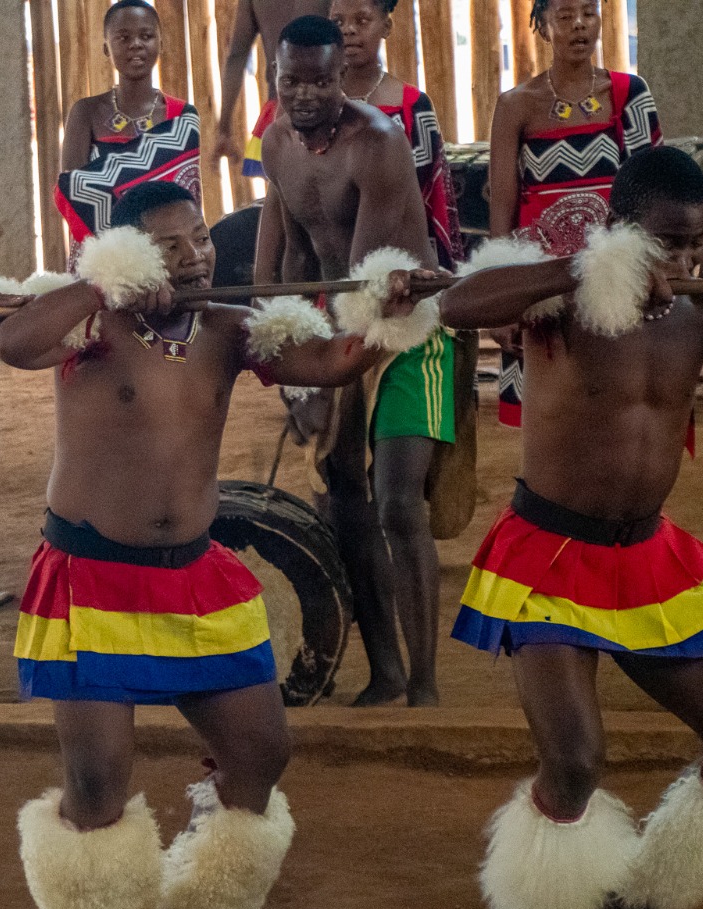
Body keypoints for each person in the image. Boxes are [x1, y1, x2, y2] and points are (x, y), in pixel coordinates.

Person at [0, 181, 435, 909]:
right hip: (92, 576)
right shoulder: (90, 323)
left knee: (261, 752)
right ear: (128, 254)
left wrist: (383, 307)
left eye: (200, 239)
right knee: (98, 777)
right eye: (169, 244)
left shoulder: (231, 330)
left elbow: (330, 363)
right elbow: (14, 344)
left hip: (194, 579)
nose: (194, 256)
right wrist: (99, 285)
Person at [442, 147, 703, 909]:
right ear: (618, 229)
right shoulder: (554, 303)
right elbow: (461, 305)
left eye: (697, 244)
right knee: (573, 757)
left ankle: (637, 905)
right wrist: (582, 270)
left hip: (650, 561)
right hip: (549, 558)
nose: (684, 262)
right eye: (668, 243)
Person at [254, 16, 446, 706]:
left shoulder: (380, 143)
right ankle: (386, 671)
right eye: (291, 80)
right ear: (274, 78)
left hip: (402, 331)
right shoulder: (276, 143)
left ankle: (423, 688)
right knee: (344, 503)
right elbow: (292, 262)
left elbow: (363, 282)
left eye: (321, 80)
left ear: (343, 78)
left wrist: (322, 385)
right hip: (337, 326)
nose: (305, 93)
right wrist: (285, 358)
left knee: (398, 504)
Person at [486, 0, 660, 427]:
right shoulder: (515, 106)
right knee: (552, 422)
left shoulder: (630, 94)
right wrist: (502, 299)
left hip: (616, 285)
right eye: (565, 16)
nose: (580, 25)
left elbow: (652, 197)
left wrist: (656, 271)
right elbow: (502, 208)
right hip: (543, 290)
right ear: (543, 27)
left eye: (589, 13)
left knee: (620, 415)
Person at [54, 0, 201, 253]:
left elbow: (188, 198)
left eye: (146, 36)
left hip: (171, 251)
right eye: (123, 37)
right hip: (105, 253)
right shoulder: (86, 112)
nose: (136, 44)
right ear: (106, 48)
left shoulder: (182, 116)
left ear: (160, 44)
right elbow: (75, 193)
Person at [330, 0, 461, 269]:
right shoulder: (318, 107)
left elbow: (431, 196)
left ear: (386, 27)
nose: (349, 30)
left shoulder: (413, 104)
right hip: (333, 257)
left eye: (362, 20)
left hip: (402, 263)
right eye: (338, 22)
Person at [209, 0, 330, 175]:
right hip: (327, 113)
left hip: (279, 111)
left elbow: (237, 55)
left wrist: (224, 130)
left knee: (283, 194)